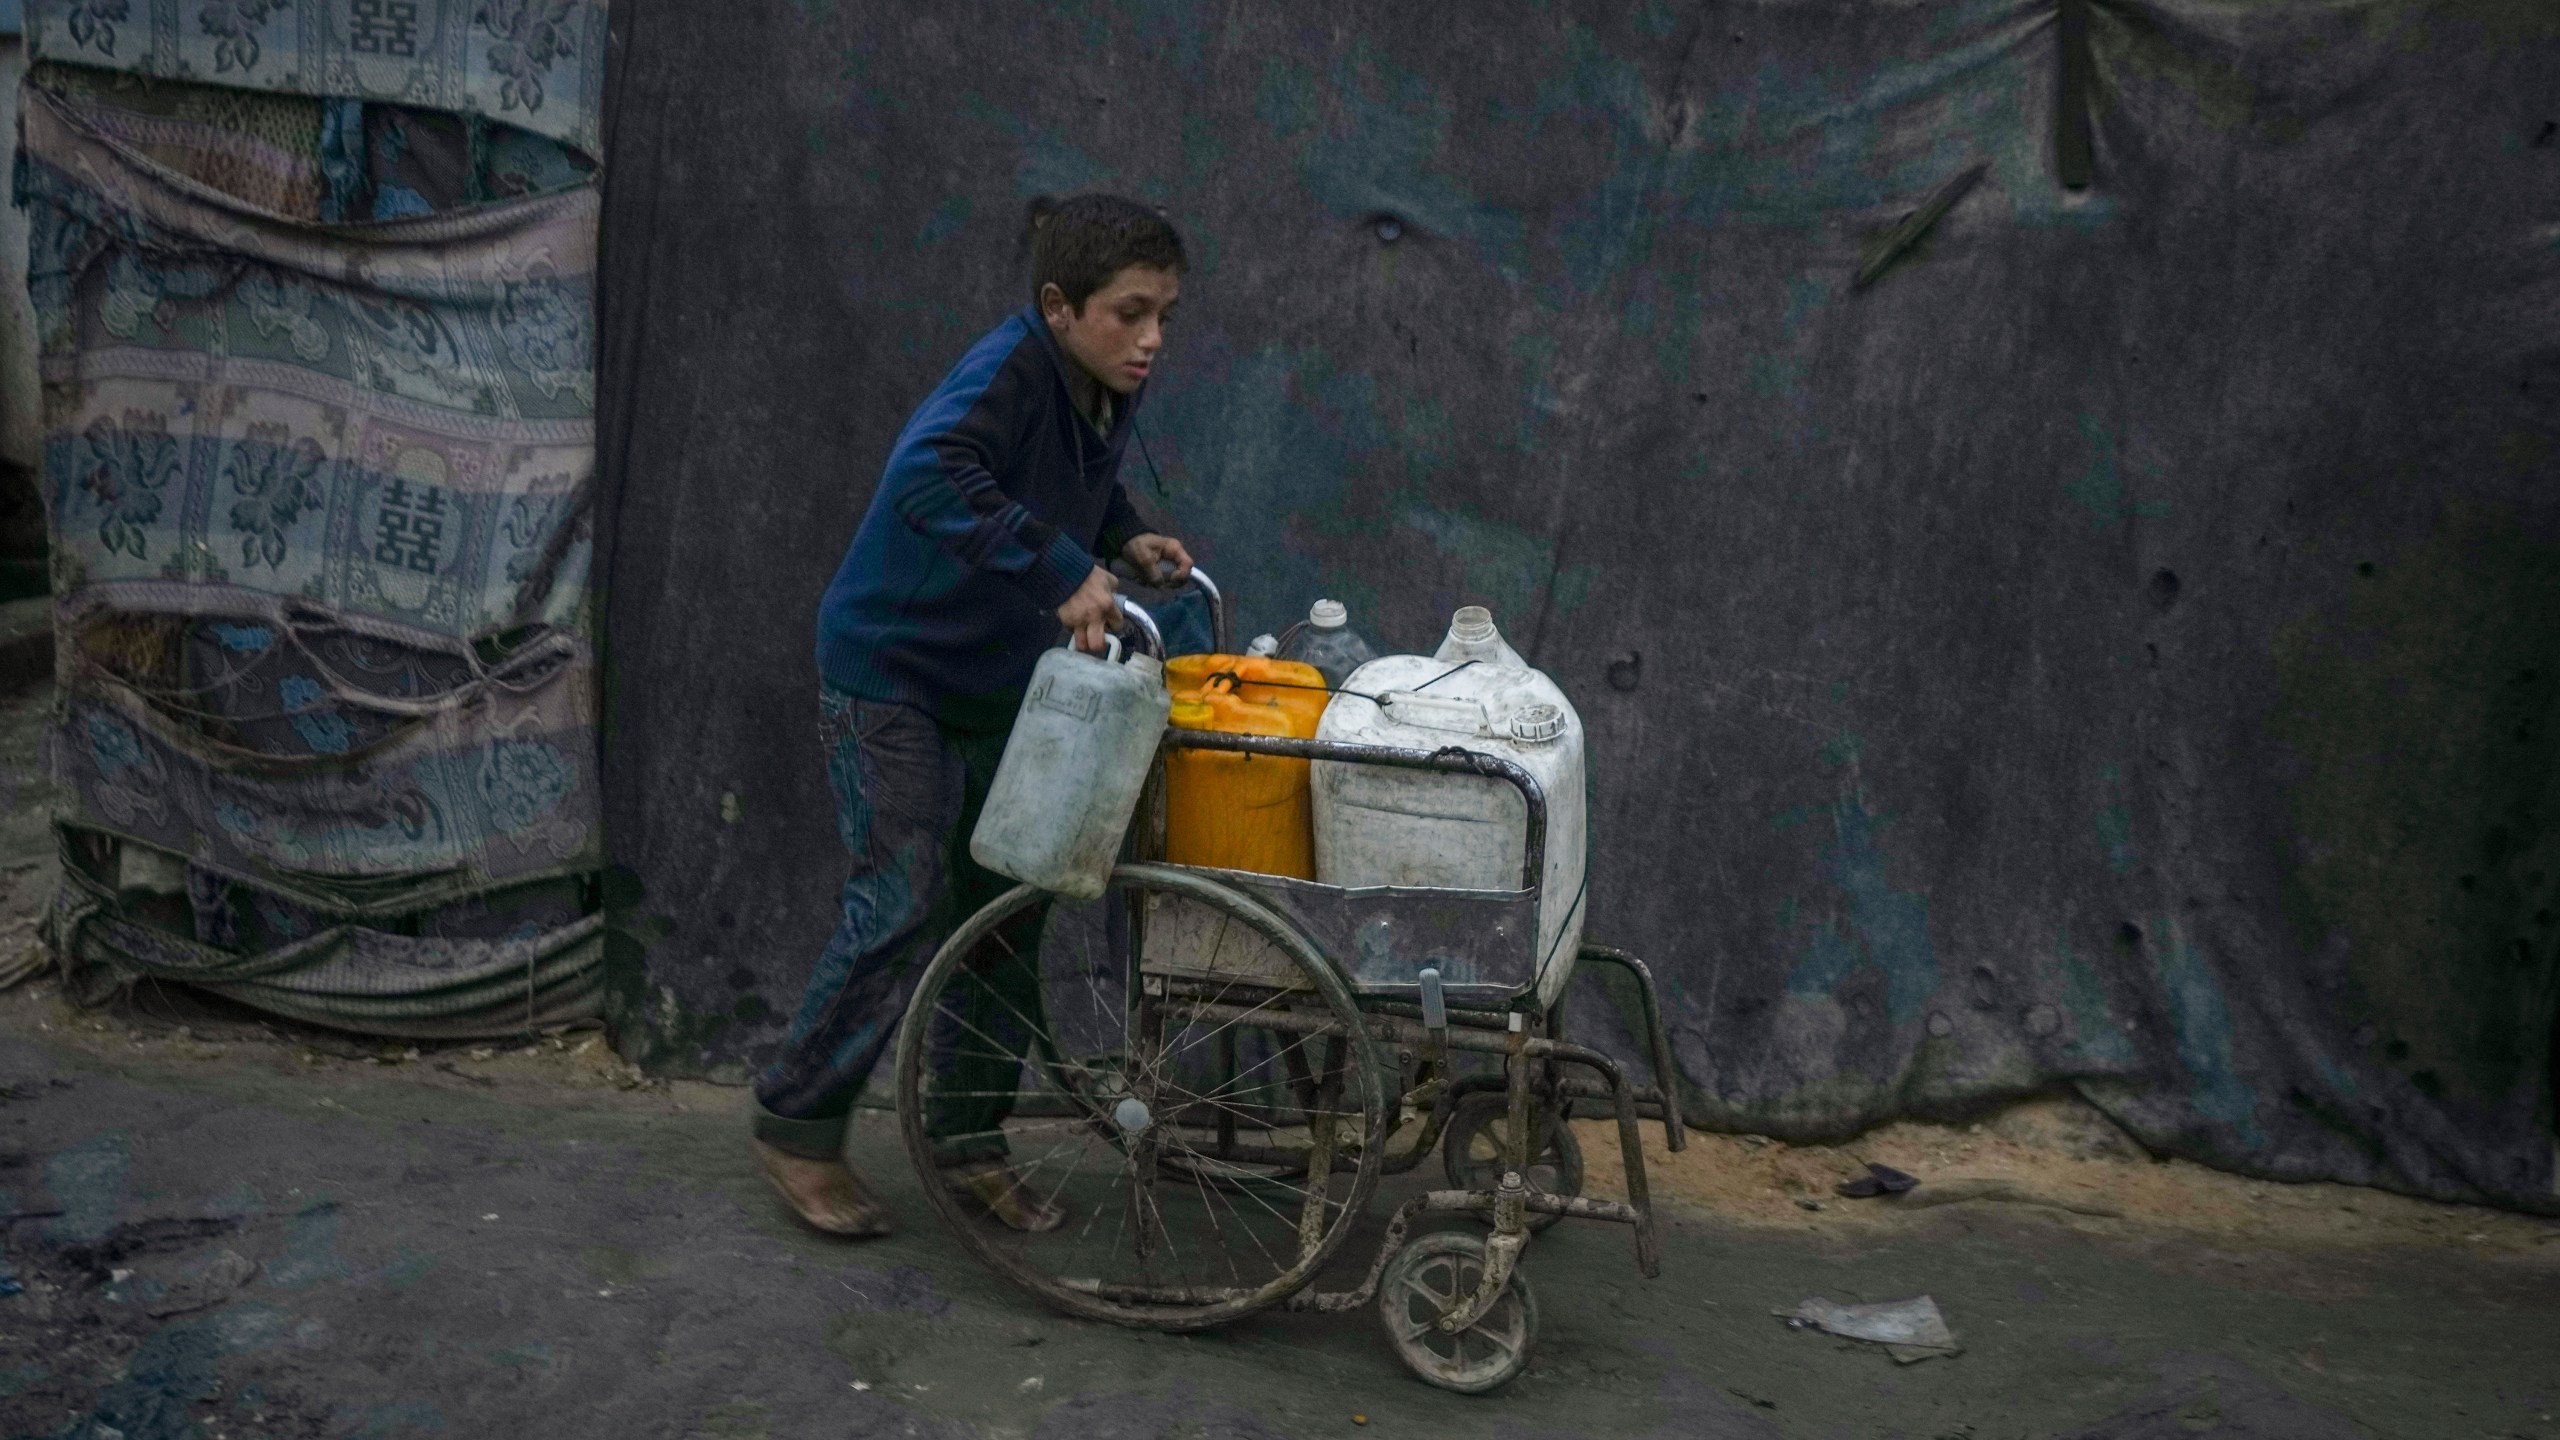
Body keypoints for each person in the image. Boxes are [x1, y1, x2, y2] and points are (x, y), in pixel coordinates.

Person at [751, 194, 1194, 1237]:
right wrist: (1055, 568)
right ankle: (796, 1124)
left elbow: (1064, 482)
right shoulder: (1007, 370)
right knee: (903, 901)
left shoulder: (1099, 384)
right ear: (1058, 307)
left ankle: (966, 1140)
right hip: (893, 675)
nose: (1152, 340)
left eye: (1164, 314)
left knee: (1010, 906)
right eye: (1130, 313)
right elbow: (929, 474)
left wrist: (1121, 537)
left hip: (996, 683)